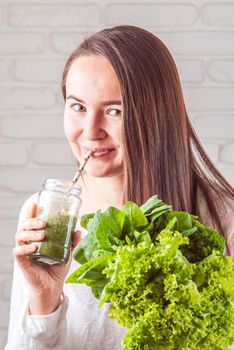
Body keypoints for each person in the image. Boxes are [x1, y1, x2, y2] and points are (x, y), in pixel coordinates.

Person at [5, 25, 234, 350]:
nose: (91, 131)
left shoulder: (223, 217)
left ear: (155, 116)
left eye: (114, 111)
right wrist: (44, 299)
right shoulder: (46, 215)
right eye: (78, 107)